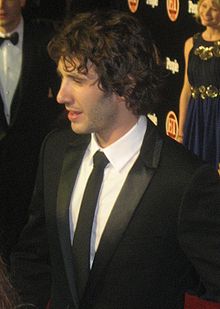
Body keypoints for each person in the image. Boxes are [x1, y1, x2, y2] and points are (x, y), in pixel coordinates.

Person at [10, 10, 220, 309]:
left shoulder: (184, 181)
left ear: (126, 84)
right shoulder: (55, 150)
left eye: (77, 80)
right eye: (62, 78)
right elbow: (34, 254)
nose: (61, 95)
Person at [0, 0, 64, 263]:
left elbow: (66, 94)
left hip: (32, 158)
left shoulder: (47, 40)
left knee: (27, 236)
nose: (2, 4)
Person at [178, 0, 220, 172]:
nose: (206, 12)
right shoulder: (191, 43)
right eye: (204, 6)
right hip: (197, 117)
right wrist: (181, 131)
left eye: (214, 8)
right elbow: (187, 89)